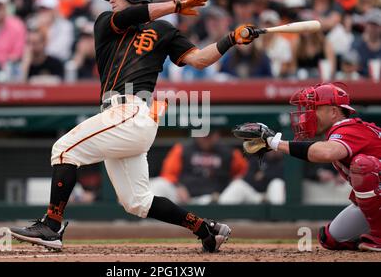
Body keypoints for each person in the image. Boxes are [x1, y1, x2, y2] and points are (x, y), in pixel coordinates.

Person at [9, 0, 260, 252]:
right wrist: (175, 5)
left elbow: (200, 60)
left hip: (131, 111)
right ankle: (206, 229)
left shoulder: (164, 30)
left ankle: (52, 226)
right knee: (137, 202)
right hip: (123, 120)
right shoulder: (105, 23)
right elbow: (132, 17)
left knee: (64, 149)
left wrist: (230, 39)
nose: (111, 0)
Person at [239, 82, 381, 251]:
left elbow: (326, 153)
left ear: (334, 111)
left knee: (363, 166)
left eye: (314, 109)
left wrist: (275, 143)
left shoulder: (348, 128)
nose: (308, 115)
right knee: (330, 238)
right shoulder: (341, 131)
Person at [150, 130, 248, 204]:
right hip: (185, 199)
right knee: (159, 184)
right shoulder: (182, 149)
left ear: (217, 135)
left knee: (239, 187)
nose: (206, 138)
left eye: (210, 135)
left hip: (217, 201)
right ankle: (148, 226)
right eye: (203, 134)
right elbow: (167, 174)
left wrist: (234, 180)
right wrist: (178, 186)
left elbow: (244, 172)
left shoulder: (229, 153)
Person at [218, 150, 285, 205]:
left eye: (278, 146)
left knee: (277, 183)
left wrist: (265, 174)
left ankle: (279, 217)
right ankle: (220, 213)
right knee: (238, 184)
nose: (274, 150)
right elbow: (248, 178)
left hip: (275, 196)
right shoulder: (259, 157)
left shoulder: (287, 159)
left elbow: (284, 176)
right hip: (257, 196)